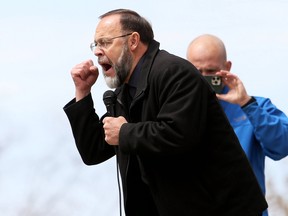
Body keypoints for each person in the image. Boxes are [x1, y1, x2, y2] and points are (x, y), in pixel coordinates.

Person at [63, 9, 268, 216]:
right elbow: (94, 151)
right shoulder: (123, 92)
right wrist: (82, 92)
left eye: (105, 42)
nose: (97, 51)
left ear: (133, 41)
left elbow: (179, 134)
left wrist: (125, 132)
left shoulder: (175, 72)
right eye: (96, 45)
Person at [186, 34, 288, 216]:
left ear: (226, 68)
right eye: (196, 70)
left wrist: (247, 105)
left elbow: (282, 146)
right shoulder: (175, 110)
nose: (203, 78)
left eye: (211, 71)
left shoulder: (255, 107)